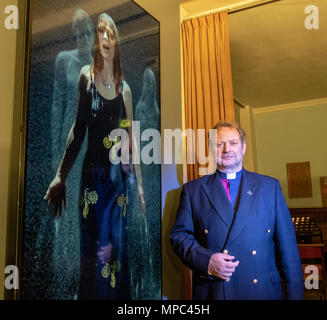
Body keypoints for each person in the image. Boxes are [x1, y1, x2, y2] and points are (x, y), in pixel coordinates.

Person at [45, 13, 145, 300]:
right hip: (92, 181)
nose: (104, 37)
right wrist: (61, 174)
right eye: (100, 32)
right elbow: (78, 130)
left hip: (119, 184)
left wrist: (137, 185)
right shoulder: (86, 79)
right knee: (92, 250)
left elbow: (130, 140)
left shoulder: (125, 89)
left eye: (109, 33)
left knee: (116, 250)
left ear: (116, 42)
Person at [170, 121, 304, 300]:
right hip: (216, 291)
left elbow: (288, 250)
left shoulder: (270, 187)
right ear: (211, 149)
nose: (227, 149)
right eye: (219, 144)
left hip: (262, 292)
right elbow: (179, 236)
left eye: (233, 143)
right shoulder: (193, 191)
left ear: (244, 147)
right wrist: (207, 261)